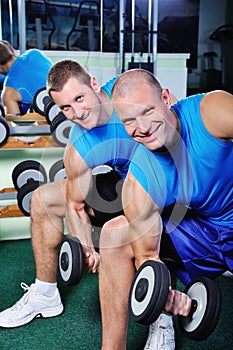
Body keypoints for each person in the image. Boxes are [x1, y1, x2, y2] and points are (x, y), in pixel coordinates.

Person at [0, 61, 178, 350]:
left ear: (95, 84)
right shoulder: (80, 143)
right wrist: (86, 246)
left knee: (135, 226)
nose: (77, 112)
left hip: (166, 182)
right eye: (66, 108)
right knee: (44, 199)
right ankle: (45, 293)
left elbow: (176, 119)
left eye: (79, 98)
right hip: (125, 184)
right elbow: (76, 204)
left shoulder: (129, 93)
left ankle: (161, 316)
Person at [99, 68, 233, 349]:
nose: (142, 127)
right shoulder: (140, 180)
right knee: (116, 233)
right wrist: (164, 295)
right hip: (201, 233)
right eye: (129, 121)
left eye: (147, 111)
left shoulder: (211, 112)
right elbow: (148, 257)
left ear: (166, 97)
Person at [0, 40, 52, 115]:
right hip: (68, 102)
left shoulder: (8, 93)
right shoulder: (35, 53)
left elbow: (15, 124)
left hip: (50, 119)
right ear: (12, 50)